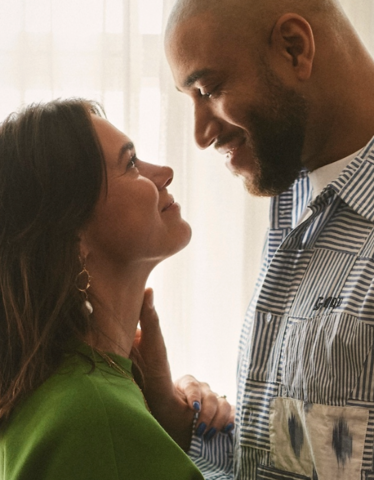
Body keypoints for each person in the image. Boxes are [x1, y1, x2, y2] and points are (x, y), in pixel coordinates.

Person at [165, 0, 374, 478]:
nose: (201, 134)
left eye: (208, 90)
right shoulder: (297, 194)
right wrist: (179, 424)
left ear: (294, 49)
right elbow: (302, 464)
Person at [0, 98, 234, 479]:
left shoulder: (58, 390)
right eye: (131, 164)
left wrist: (171, 422)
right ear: (74, 238)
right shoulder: (96, 415)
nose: (165, 172)